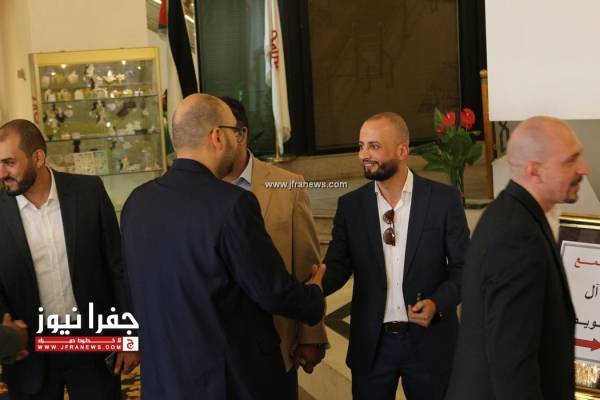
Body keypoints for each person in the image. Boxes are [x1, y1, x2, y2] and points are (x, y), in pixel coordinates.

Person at [120, 93, 326, 399]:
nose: (239, 139)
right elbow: (271, 291)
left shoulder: (137, 202)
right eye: (233, 131)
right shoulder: (233, 204)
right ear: (217, 136)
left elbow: (135, 288)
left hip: (165, 379)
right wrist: (314, 296)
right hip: (229, 381)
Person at [323, 112, 469, 399]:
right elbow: (337, 267)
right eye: (361, 146)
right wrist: (310, 286)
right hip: (372, 346)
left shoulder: (443, 200)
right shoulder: (351, 207)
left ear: (403, 150)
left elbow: (465, 267)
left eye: (374, 146)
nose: (364, 154)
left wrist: (437, 303)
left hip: (431, 345)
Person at [446, 116, 589, 400]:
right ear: (534, 171)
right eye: (570, 160)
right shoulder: (517, 237)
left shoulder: (511, 215)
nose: (584, 168)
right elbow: (513, 367)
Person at [0, 119, 138, 400]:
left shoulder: (88, 192)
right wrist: (6, 332)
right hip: (30, 351)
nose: (1, 173)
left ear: (38, 158)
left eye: (9, 163)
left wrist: (129, 336)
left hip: (92, 343)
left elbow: (118, 268)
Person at [221, 96, 328, 398]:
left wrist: (311, 334)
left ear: (240, 134)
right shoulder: (196, 192)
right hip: (216, 350)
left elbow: (307, 264)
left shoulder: (287, 186)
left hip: (275, 345)